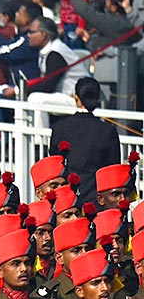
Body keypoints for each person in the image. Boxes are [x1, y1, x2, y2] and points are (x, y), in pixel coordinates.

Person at [50, 77, 121, 207]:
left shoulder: (59, 127)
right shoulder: (108, 131)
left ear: (76, 97)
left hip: (66, 201)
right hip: (96, 202)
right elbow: (112, 170)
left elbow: (54, 165)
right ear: (98, 99)